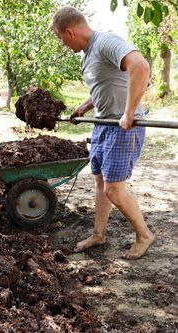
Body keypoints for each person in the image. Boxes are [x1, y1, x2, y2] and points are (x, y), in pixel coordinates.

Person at [51, 6, 155, 259]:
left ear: (69, 31)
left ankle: (144, 235)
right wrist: (85, 107)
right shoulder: (87, 54)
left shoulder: (106, 42)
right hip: (103, 124)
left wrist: (129, 112)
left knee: (113, 190)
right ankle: (98, 234)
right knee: (100, 183)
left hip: (123, 128)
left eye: (60, 38)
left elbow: (140, 68)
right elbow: (105, 85)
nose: (62, 44)